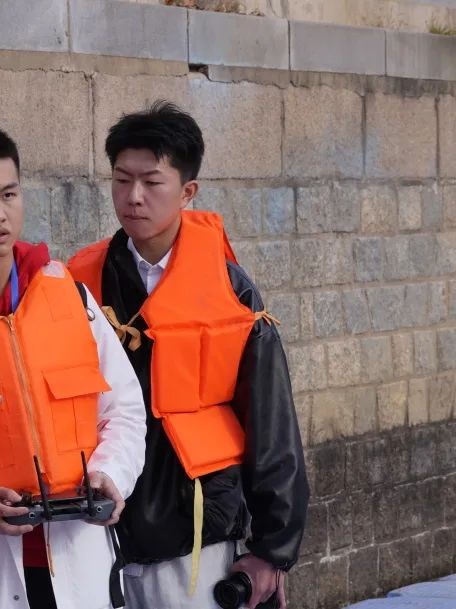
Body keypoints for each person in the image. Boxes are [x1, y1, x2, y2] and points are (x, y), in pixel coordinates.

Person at [67, 102, 309, 609]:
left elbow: (271, 421)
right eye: (121, 180)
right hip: (98, 527)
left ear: (188, 191)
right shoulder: (78, 282)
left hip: (198, 529)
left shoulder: (230, 291)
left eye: (152, 182)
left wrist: (273, 549)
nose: (133, 197)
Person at [0, 124, 147, 609]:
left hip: (80, 552)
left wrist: (110, 476)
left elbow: (123, 409)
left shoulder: (69, 294)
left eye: (9, 194)